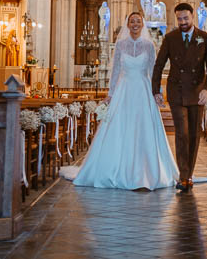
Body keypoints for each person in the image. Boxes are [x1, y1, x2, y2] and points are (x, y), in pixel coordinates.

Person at [60, 11, 177, 190]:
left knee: (143, 128)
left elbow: (154, 71)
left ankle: (146, 172)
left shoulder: (149, 45)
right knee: (120, 127)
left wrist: (157, 93)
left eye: (138, 21)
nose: (135, 24)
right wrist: (110, 94)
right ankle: (115, 169)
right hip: (124, 90)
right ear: (128, 24)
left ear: (142, 24)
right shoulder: (120, 45)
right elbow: (115, 72)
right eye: (132, 21)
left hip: (143, 90)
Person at [153, 2, 207, 193]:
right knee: (182, 133)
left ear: (192, 17)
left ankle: (189, 173)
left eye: (185, 18)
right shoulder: (170, 38)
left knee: (194, 135)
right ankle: (183, 176)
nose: (182, 22)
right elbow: (159, 64)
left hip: (198, 93)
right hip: (177, 92)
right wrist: (156, 90)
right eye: (179, 19)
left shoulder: (204, 38)